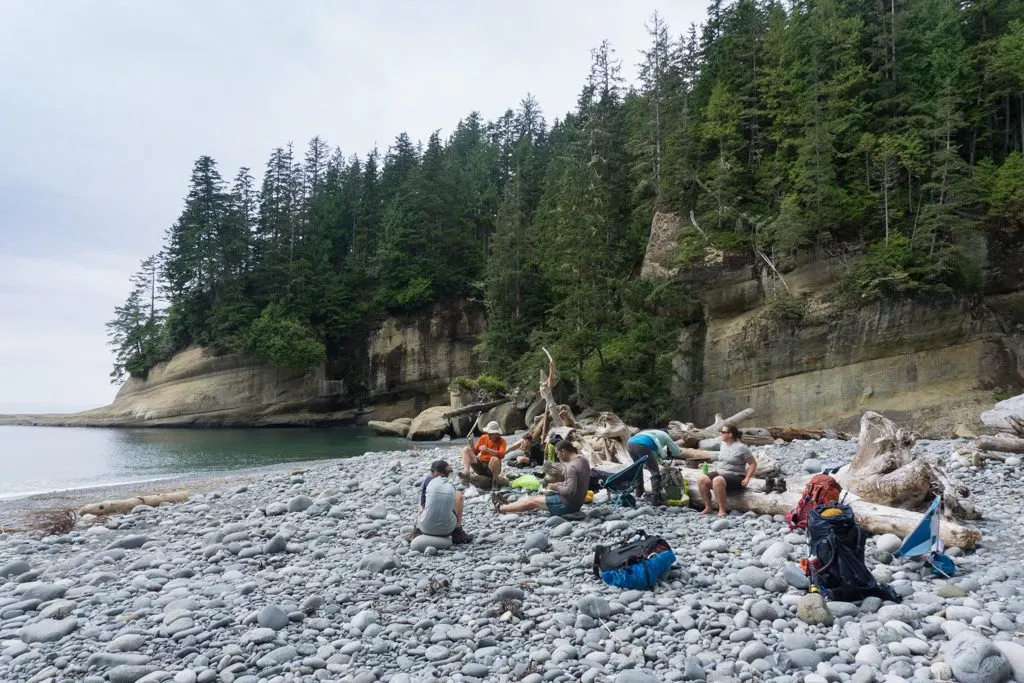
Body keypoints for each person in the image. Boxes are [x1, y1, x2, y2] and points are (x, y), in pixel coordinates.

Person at [492, 440, 590, 517]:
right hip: (576, 503)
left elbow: (570, 491)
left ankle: (502, 508)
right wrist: (556, 485)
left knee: (532, 501)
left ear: (563, 452)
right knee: (534, 497)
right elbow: (574, 484)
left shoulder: (571, 467)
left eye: (557, 453)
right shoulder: (583, 460)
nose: (557, 456)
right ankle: (510, 506)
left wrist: (555, 488)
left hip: (567, 506)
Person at [697, 423, 757, 517]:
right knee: (702, 479)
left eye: (723, 432)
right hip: (721, 473)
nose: (721, 434)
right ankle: (708, 507)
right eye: (721, 432)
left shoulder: (742, 448)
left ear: (730, 434)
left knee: (717, 480)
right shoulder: (723, 444)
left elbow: (753, 464)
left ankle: (722, 510)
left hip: (736, 476)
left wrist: (747, 478)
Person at [412, 460, 472, 544]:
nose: (430, 474)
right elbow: (451, 507)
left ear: (435, 472)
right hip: (447, 529)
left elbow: (423, 505)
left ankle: (417, 529)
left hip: (425, 528)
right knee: (459, 495)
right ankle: (458, 531)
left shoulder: (428, 481)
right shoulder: (450, 485)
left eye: (431, 471)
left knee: (423, 499)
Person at [625, 429, 682, 506]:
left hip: (630, 444)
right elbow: (676, 451)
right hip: (642, 445)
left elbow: (653, 454)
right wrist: (676, 453)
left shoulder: (651, 435)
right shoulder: (665, 435)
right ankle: (656, 499)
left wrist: (662, 463)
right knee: (655, 472)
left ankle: (638, 493)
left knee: (638, 469)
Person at [461, 421, 507, 487]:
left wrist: (488, 450)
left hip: (492, 468)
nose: (488, 435)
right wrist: (471, 443)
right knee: (466, 449)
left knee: (495, 459)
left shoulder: (502, 441)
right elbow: (475, 453)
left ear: (497, 433)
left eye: (491, 434)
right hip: (481, 466)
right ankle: (466, 472)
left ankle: (495, 481)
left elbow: (502, 455)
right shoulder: (483, 437)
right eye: (488, 433)